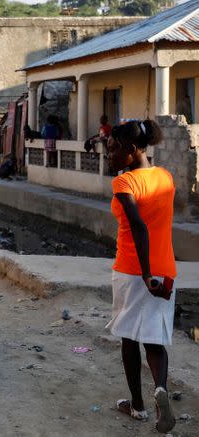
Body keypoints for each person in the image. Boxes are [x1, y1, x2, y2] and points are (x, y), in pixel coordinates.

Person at [105, 119, 176, 434]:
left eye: (114, 149)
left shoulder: (124, 184)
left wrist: (145, 273)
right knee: (155, 338)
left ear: (131, 150)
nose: (110, 155)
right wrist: (155, 273)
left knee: (130, 338)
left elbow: (138, 225)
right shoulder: (165, 177)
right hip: (166, 268)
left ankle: (137, 405)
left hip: (133, 270)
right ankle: (160, 388)